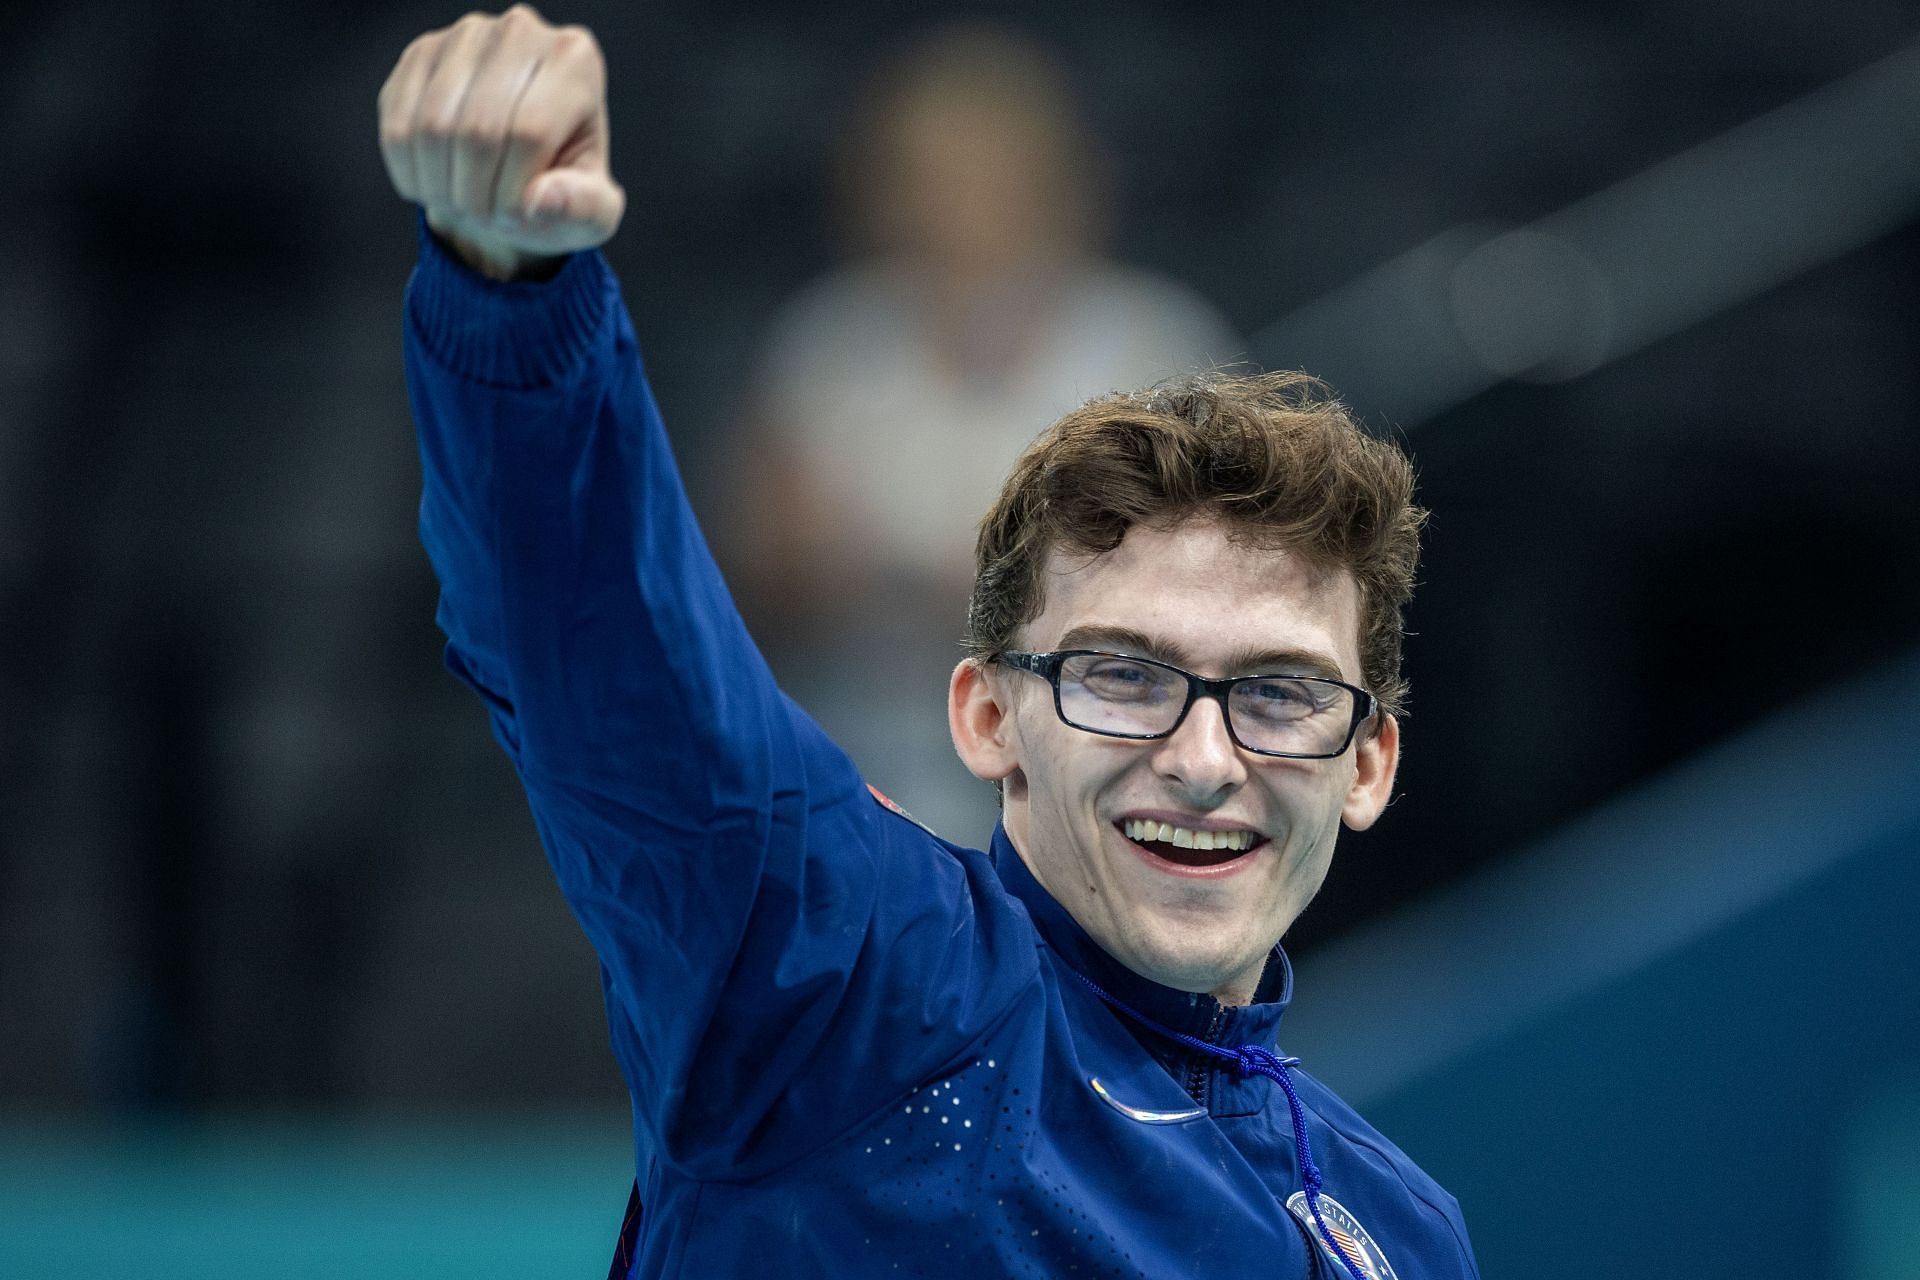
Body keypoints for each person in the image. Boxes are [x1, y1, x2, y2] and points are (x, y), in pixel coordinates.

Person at [378, 8, 1479, 1278]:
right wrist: (510, 283)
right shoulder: (854, 988)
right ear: (989, 714)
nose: (1203, 755)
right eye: (1124, 674)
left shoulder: (1400, 1231)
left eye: (1280, 692)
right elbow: (606, 660)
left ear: (1369, 761)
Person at [728, 22, 1239, 846]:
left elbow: (1208, 580)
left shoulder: (1157, 347)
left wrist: (976, 583)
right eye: (929, 178)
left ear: (1058, 181)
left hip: (1104, 765)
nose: (959, 206)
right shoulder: (829, 347)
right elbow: (763, 577)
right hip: (866, 768)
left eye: (988, 173)